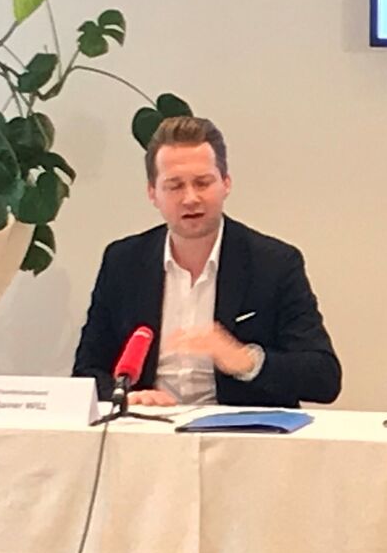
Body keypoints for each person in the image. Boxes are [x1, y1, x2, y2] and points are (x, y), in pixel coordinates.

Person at [73, 115, 341, 409]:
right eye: (174, 186)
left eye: (203, 183)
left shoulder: (274, 263)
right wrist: (126, 396)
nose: (190, 198)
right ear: (153, 193)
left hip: (239, 429)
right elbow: (87, 372)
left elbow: (324, 378)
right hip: (149, 425)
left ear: (226, 183)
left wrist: (245, 360)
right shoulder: (123, 262)